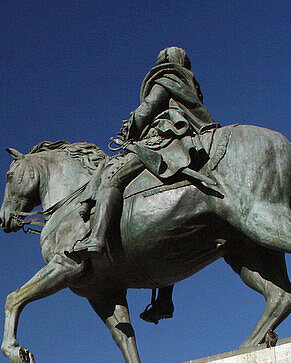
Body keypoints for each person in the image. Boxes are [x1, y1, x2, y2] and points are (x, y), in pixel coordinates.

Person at [70, 47, 223, 323]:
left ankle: (96, 238)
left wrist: (132, 124)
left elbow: (148, 109)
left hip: (162, 140)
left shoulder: (166, 78)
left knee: (112, 177)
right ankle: (164, 299)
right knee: (168, 225)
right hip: (188, 139)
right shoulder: (190, 84)